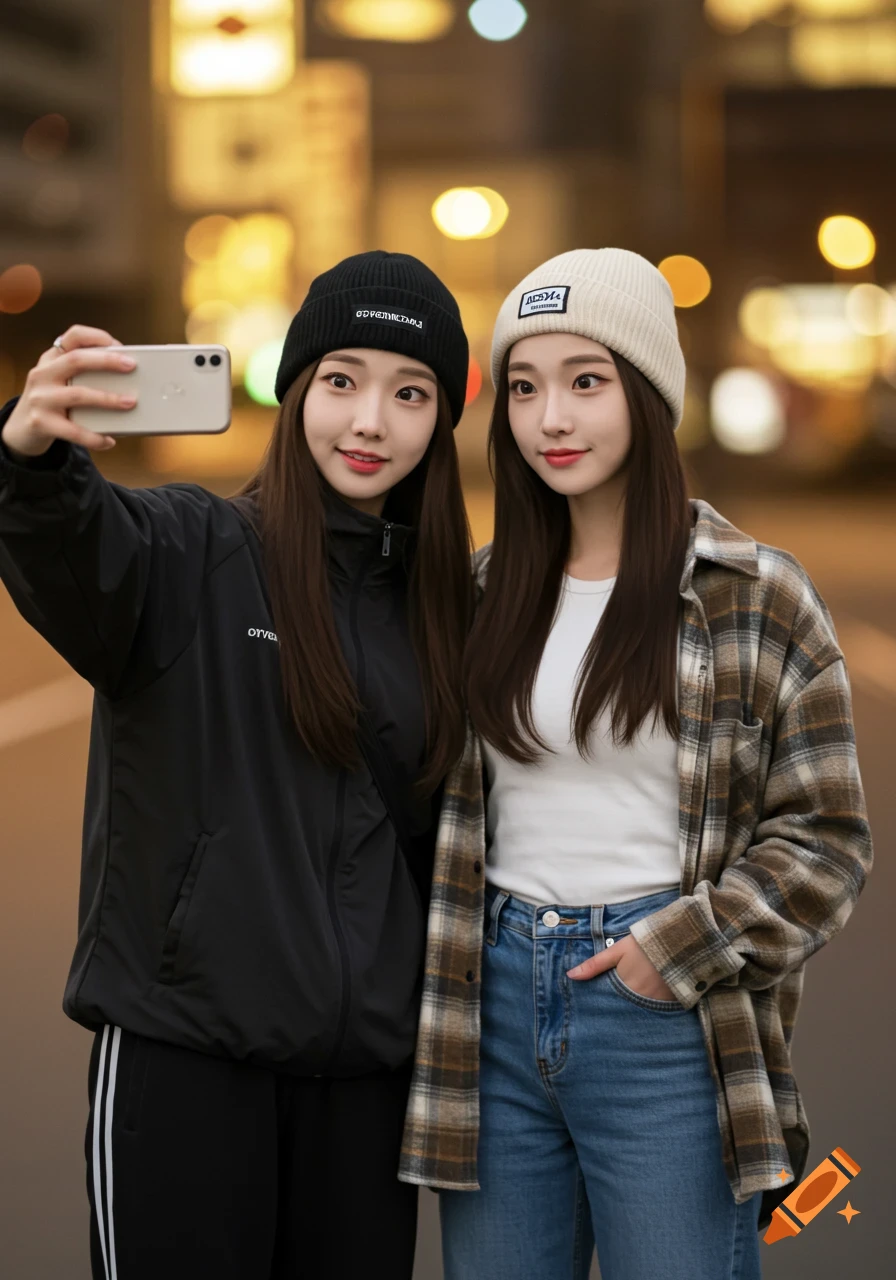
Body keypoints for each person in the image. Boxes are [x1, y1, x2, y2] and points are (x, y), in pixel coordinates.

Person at [397, 248, 873, 1280]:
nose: (550, 418)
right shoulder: (480, 594)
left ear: (646, 394)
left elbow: (826, 837)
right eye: (523, 388)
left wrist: (681, 944)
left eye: (585, 380)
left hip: (663, 1010)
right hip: (488, 1008)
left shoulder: (753, 594)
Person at [0, 251, 474, 1280]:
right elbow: (67, 539)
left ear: (441, 420)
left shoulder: (443, 614)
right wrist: (33, 457)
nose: (369, 421)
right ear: (295, 388)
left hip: (363, 1087)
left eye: (409, 393)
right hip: (188, 1061)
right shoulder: (191, 550)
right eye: (340, 380)